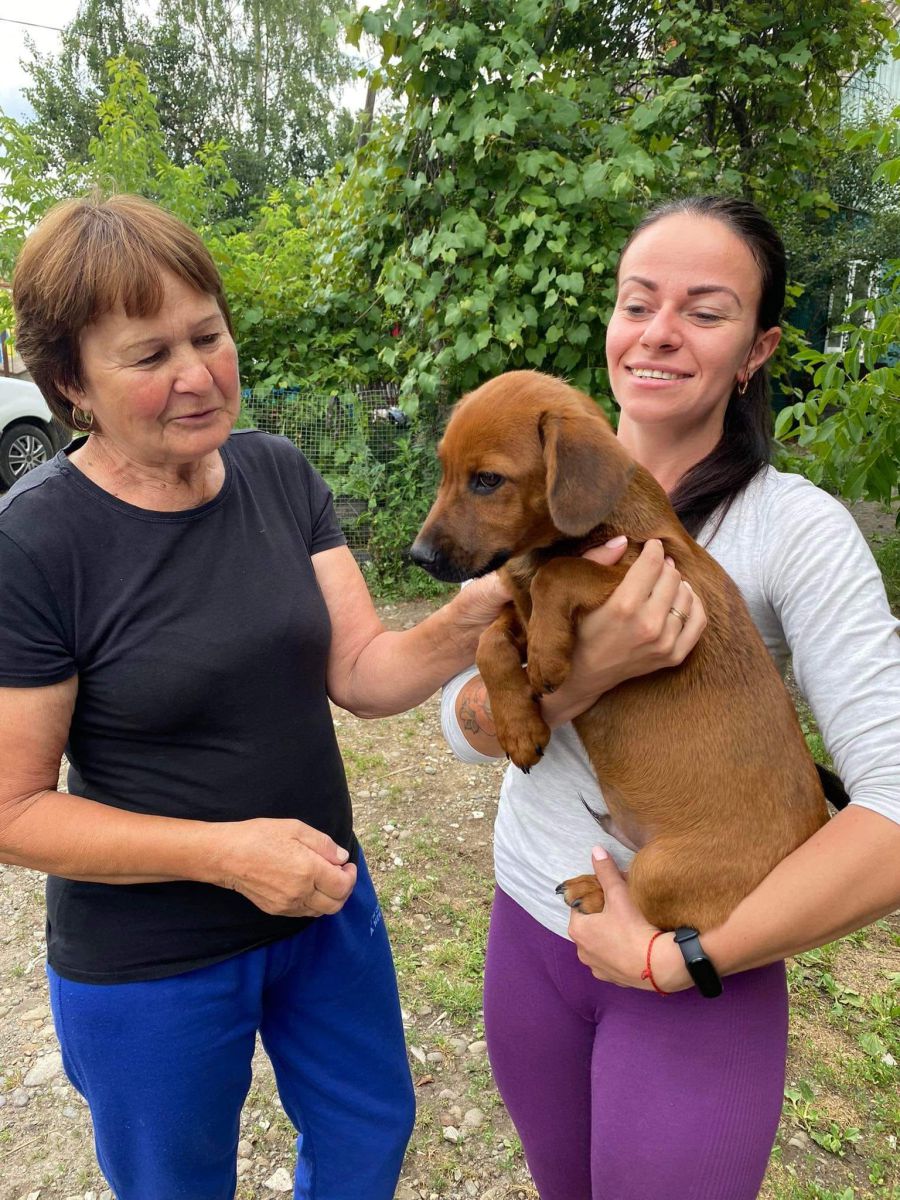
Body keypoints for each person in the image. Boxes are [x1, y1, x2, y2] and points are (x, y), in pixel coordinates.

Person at [0, 191, 529, 1200]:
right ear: (71, 382)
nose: (198, 375)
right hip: (151, 957)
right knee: (175, 1182)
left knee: (371, 1128)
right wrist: (227, 853)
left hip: (323, 902)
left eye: (208, 334)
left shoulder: (278, 473)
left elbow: (361, 674)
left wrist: (471, 615)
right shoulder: (36, 544)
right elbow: (13, 810)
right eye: (149, 356)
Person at [440, 195, 900, 1200]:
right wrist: (566, 679)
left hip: (689, 970)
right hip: (530, 927)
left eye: (705, 309)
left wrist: (682, 957)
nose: (656, 332)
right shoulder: (538, 487)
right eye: (636, 301)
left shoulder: (798, 532)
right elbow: (468, 730)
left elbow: (898, 809)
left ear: (758, 349)